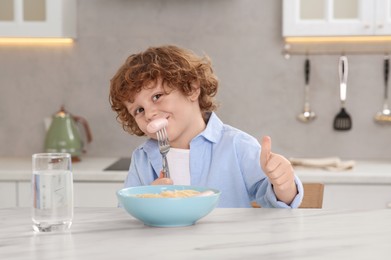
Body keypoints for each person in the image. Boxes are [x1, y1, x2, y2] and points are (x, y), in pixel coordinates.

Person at [109, 45, 304, 208]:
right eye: (139, 110)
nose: (150, 113)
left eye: (157, 97)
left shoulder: (237, 146)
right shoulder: (142, 158)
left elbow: (276, 201)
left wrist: (284, 184)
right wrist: (148, 201)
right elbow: (125, 215)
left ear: (192, 89)